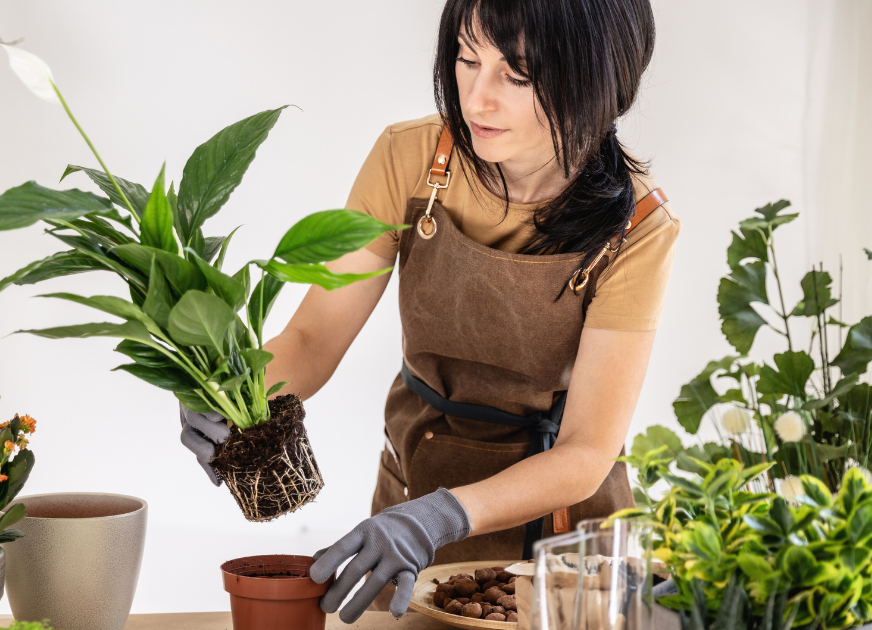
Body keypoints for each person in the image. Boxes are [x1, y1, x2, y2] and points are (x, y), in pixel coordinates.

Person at [179, 0, 678, 622]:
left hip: (562, 541)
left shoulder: (638, 226)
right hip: (415, 481)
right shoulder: (411, 158)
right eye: (467, 60)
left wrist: (437, 518)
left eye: (517, 76)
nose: (476, 98)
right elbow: (311, 337)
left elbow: (585, 450)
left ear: (599, 78)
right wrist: (230, 396)